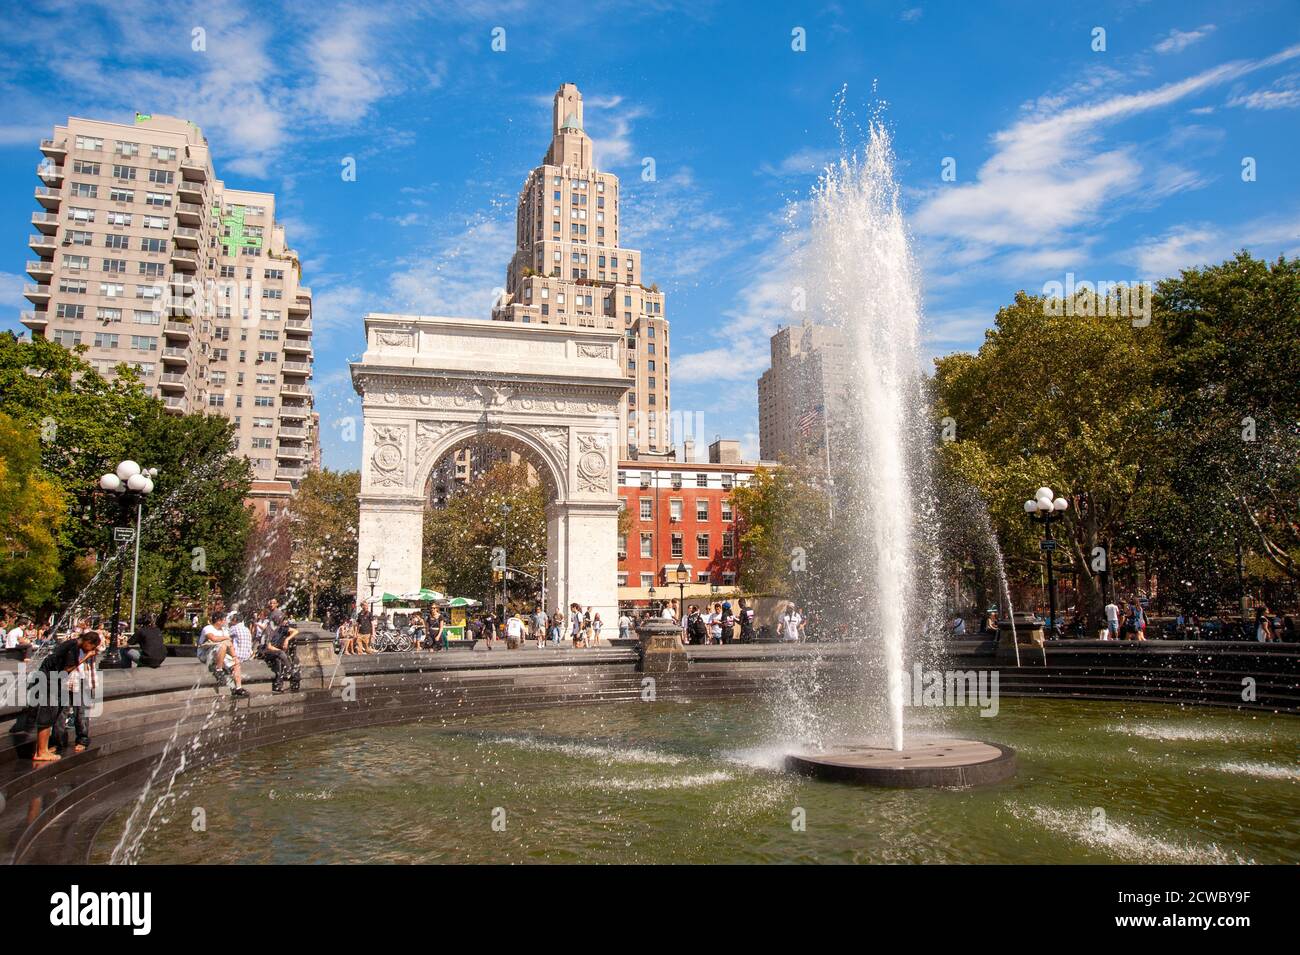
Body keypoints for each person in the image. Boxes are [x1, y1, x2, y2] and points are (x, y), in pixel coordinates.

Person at [20, 630, 102, 763]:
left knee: (50, 716)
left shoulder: (72, 644)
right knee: (47, 717)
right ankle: (42, 751)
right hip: (49, 681)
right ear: (88, 642)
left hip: (49, 680)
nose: (92, 650)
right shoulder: (73, 648)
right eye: (92, 647)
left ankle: (44, 750)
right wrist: (86, 657)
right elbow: (66, 670)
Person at [198, 612, 249, 698]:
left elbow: (230, 644)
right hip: (206, 654)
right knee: (223, 645)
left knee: (236, 664)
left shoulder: (224, 630)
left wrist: (234, 657)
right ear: (218, 620)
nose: (225, 621)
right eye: (224, 620)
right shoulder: (208, 628)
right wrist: (225, 638)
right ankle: (219, 670)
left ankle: (238, 688)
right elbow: (213, 638)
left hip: (219, 654)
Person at [262, 618, 300, 692]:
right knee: (281, 654)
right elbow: (268, 647)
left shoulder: (282, 628)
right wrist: (280, 651)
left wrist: (287, 639)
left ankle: (278, 685)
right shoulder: (268, 629)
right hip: (267, 652)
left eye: (284, 620)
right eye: (282, 620)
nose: (285, 622)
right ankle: (292, 673)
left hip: (277, 654)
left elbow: (296, 631)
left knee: (279, 660)